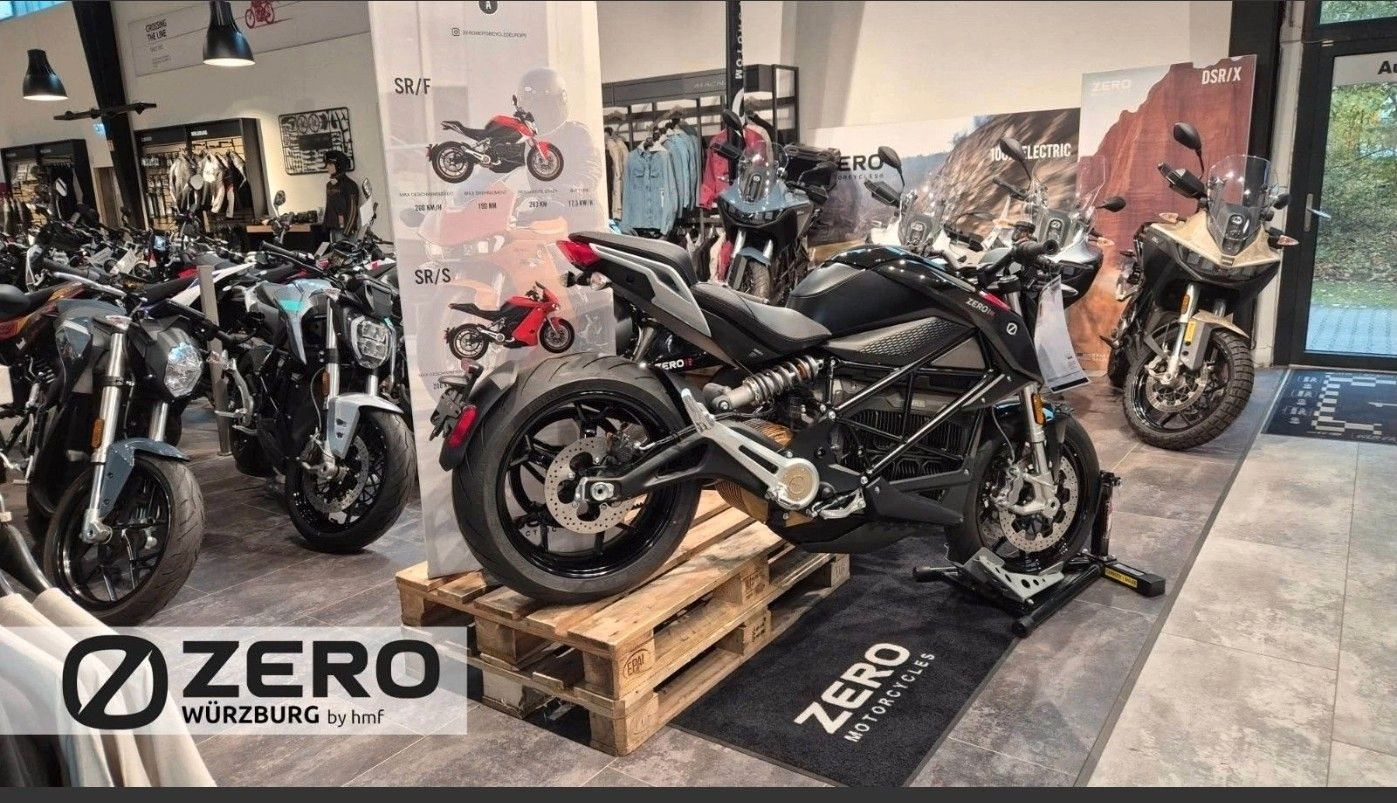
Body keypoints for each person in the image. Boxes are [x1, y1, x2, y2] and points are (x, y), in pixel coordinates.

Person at [322, 149, 359, 243]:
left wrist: (348, 230)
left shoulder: (350, 185)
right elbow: (329, 207)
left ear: (338, 165)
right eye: (327, 164)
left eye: (330, 164)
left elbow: (353, 210)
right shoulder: (329, 185)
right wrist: (325, 226)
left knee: (344, 251)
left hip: (345, 230)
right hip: (333, 228)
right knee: (334, 252)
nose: (327, 167)